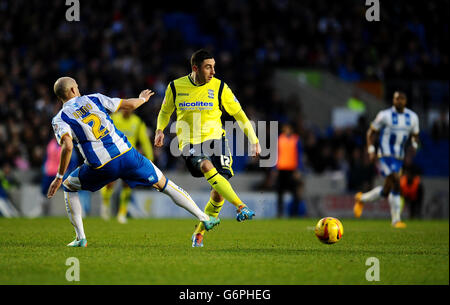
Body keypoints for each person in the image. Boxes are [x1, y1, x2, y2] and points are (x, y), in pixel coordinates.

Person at [47, 76, 220, 247]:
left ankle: (81, 238)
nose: (78, 88)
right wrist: (142, 99)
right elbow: (128, 105)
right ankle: (203, 217)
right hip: (128, 155)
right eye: (76, 86)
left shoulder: (60, 119)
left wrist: (59, 176)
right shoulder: (94, 98)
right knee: (164, 184)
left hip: (101, 165)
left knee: (69, 185)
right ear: (72, 90)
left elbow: (67, 146)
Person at [154, 49, 261, 247]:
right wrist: (160, 129)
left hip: (217, 141)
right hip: (189, 142)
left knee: (218, 193)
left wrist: (254, 139)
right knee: (205, 165)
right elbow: (165, 111)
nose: (213, 71)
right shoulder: (175, 87)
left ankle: (198, 233)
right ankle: (240, 206)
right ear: (195, 68)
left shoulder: (220, 87)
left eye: (214, 67)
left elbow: (239, 114)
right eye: (208, 67)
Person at [353, 91, 420, 228]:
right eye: (396, 98)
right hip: (384, 155)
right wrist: (371, 150)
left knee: (387, 189)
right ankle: (396, 220)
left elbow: (415, 134)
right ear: (393, 100)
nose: (399, 101)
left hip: (398, 157)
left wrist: (413, 145)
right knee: (395, 179)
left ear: (405, 101)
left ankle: (361, 198)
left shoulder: (412, 117)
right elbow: (370, 133)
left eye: (402, 98)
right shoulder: (384, 115)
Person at [100, 107, 154, 223]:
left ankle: (122, 213)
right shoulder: (113, 119)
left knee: (127, 185)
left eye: (129, 109)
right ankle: (105, 205)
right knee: (109, 184)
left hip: (130, 158)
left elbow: (144, 140)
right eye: (124, 108)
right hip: (113, 156)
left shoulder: (137, 122)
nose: (126, 111)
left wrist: (150, 158)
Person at [275, 122, 305, 218]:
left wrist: (299, 169)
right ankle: (280, 213)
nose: (286, 129)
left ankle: (295, 213)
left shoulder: (296, 139)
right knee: (280, 193)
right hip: (281, 169)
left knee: (295, 192)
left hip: (292, 170)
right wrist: (274, 168)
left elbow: (299, 155)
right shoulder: (280, 139)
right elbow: (276, 154)